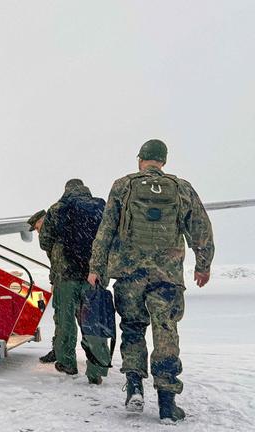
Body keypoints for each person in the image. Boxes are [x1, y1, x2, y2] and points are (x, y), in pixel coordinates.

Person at [88, 139, 214, 424]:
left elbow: (105, 230)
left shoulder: (123, 186)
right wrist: (203, 265)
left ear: (140, 159)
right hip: (167, 277)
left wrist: (96, 268)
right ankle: (167, 403)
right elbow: (202, 230)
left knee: (133, 328)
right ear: (163, 162)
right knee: (165, 331)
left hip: (130, 275)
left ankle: (134, 387)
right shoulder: (181, 188)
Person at [39, 179, 111, 385]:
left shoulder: (57, 209)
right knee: (94, 322)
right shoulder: (100, 206)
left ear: (66, 190)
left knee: (65, 321)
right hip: (93, 276)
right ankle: (96, 370)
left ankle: (67, 363)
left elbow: (45, 241)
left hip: (66, 275)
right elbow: (111, 238)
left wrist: (62, 253)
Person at [27, 209, 57, 364]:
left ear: (40, 222)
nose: (38, 233)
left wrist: (54, 281)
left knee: (62, 318)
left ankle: (61, 353)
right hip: (72, 279)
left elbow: (57, 262)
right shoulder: (59, 229)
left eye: (37, 228)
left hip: (65, 280)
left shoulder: (50, 233)